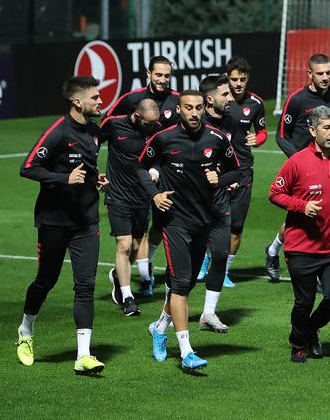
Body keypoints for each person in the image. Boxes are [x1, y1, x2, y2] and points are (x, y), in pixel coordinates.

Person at [138, 90, 240, 371]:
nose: (194, 113)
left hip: (203, 221)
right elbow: (140, 168)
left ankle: (159, 328)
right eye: (188, 108)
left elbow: (236, 171)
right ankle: (186, 351)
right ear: (178, 110)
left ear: (204, 109)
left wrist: (220, 179)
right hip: (174, 222)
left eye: (198, 108)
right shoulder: (163, 138)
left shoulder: (217, 139)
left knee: (187, 284)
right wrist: (154, 195)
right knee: (181, 283)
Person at [16, 75, 109, 374]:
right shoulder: (57, 131)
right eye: (95, 97)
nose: (100, 101)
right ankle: (26, 329)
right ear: (77, 102)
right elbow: (27, 168)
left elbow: (86, 169)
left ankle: (83, 355)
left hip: (86, 221)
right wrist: (63, 179)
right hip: (54, 222)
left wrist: (97, 180)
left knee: (86, 285)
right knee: (46, 280)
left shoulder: (94, 131)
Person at [269, 106, 330, 363]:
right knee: (304, 302)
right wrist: (301, 206)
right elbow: (274, 194)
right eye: (327, 127)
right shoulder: (296, 162)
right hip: (301, 247)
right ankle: (298, 345)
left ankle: (308, 330)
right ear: (312, 130)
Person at [266, 54, 330, 283]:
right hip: (303, 169)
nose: (325, 77)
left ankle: (278, 252)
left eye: (328, 73)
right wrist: (300, 161)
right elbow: (281, 135)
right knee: (301, 216)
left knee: (324, 215)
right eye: (320, 73)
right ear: (309, 74)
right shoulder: (297, 99)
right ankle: (276, 251)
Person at [99, 97, 161, 316]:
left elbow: (161, 156)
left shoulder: (157, 129)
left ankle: (119, 275)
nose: (152, 127)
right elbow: (91, 145)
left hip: (143, 196)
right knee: (124, 244)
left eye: (154, 123)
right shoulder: (114, 125)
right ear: (136, 115)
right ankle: (127, 298)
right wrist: (94, 174)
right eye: (148, 123)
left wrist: (155, 171)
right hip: (118, 194)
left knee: (136, 244)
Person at [216, 57, 268, 286]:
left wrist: (259, 139)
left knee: (236, 226)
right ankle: (206, 262)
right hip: (217, 170)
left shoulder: (255, 103)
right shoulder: (219, 99)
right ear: (228, 78)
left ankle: (224, 271)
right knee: (212, 221)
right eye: (234, 79)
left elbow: (263, 131)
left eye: (242, 80)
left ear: (248, 79)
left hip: (243, 169)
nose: (238, 84)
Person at [196, 74, 239, 333]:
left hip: (219, 200)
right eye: (225, 94)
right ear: (210, 100)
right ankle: (166, 318)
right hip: (193, 203)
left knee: (221, 255)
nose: (231, 98)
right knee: (185, 268)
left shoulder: (231, 122)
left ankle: (208, 313)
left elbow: (234, 164)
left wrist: (225, 180)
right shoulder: (196, 125)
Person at [105, 55, 180, 125]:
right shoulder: (131, 98)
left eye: (167, 76)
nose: (162, 80)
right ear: (149, 74)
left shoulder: (178, 99)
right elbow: (107, 120)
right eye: (158, 75)